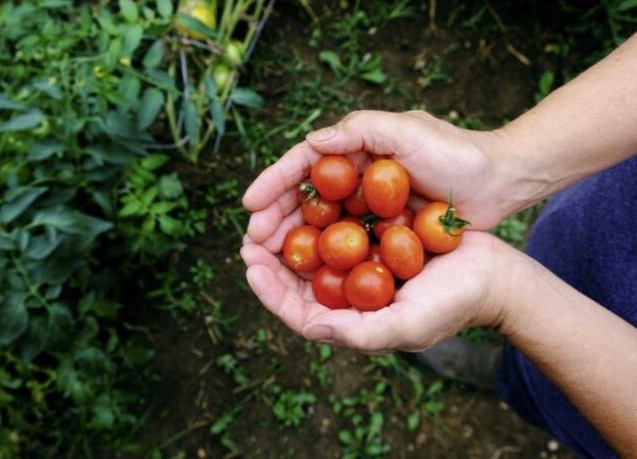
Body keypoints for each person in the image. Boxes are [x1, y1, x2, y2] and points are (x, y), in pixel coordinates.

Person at [240, 33, 637, 457]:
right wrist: (504, 164)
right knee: (558, 266)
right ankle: (512, 370)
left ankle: (518, 378)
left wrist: (511, 296)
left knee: (562, 400)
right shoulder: (387, 228)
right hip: (609, 212)